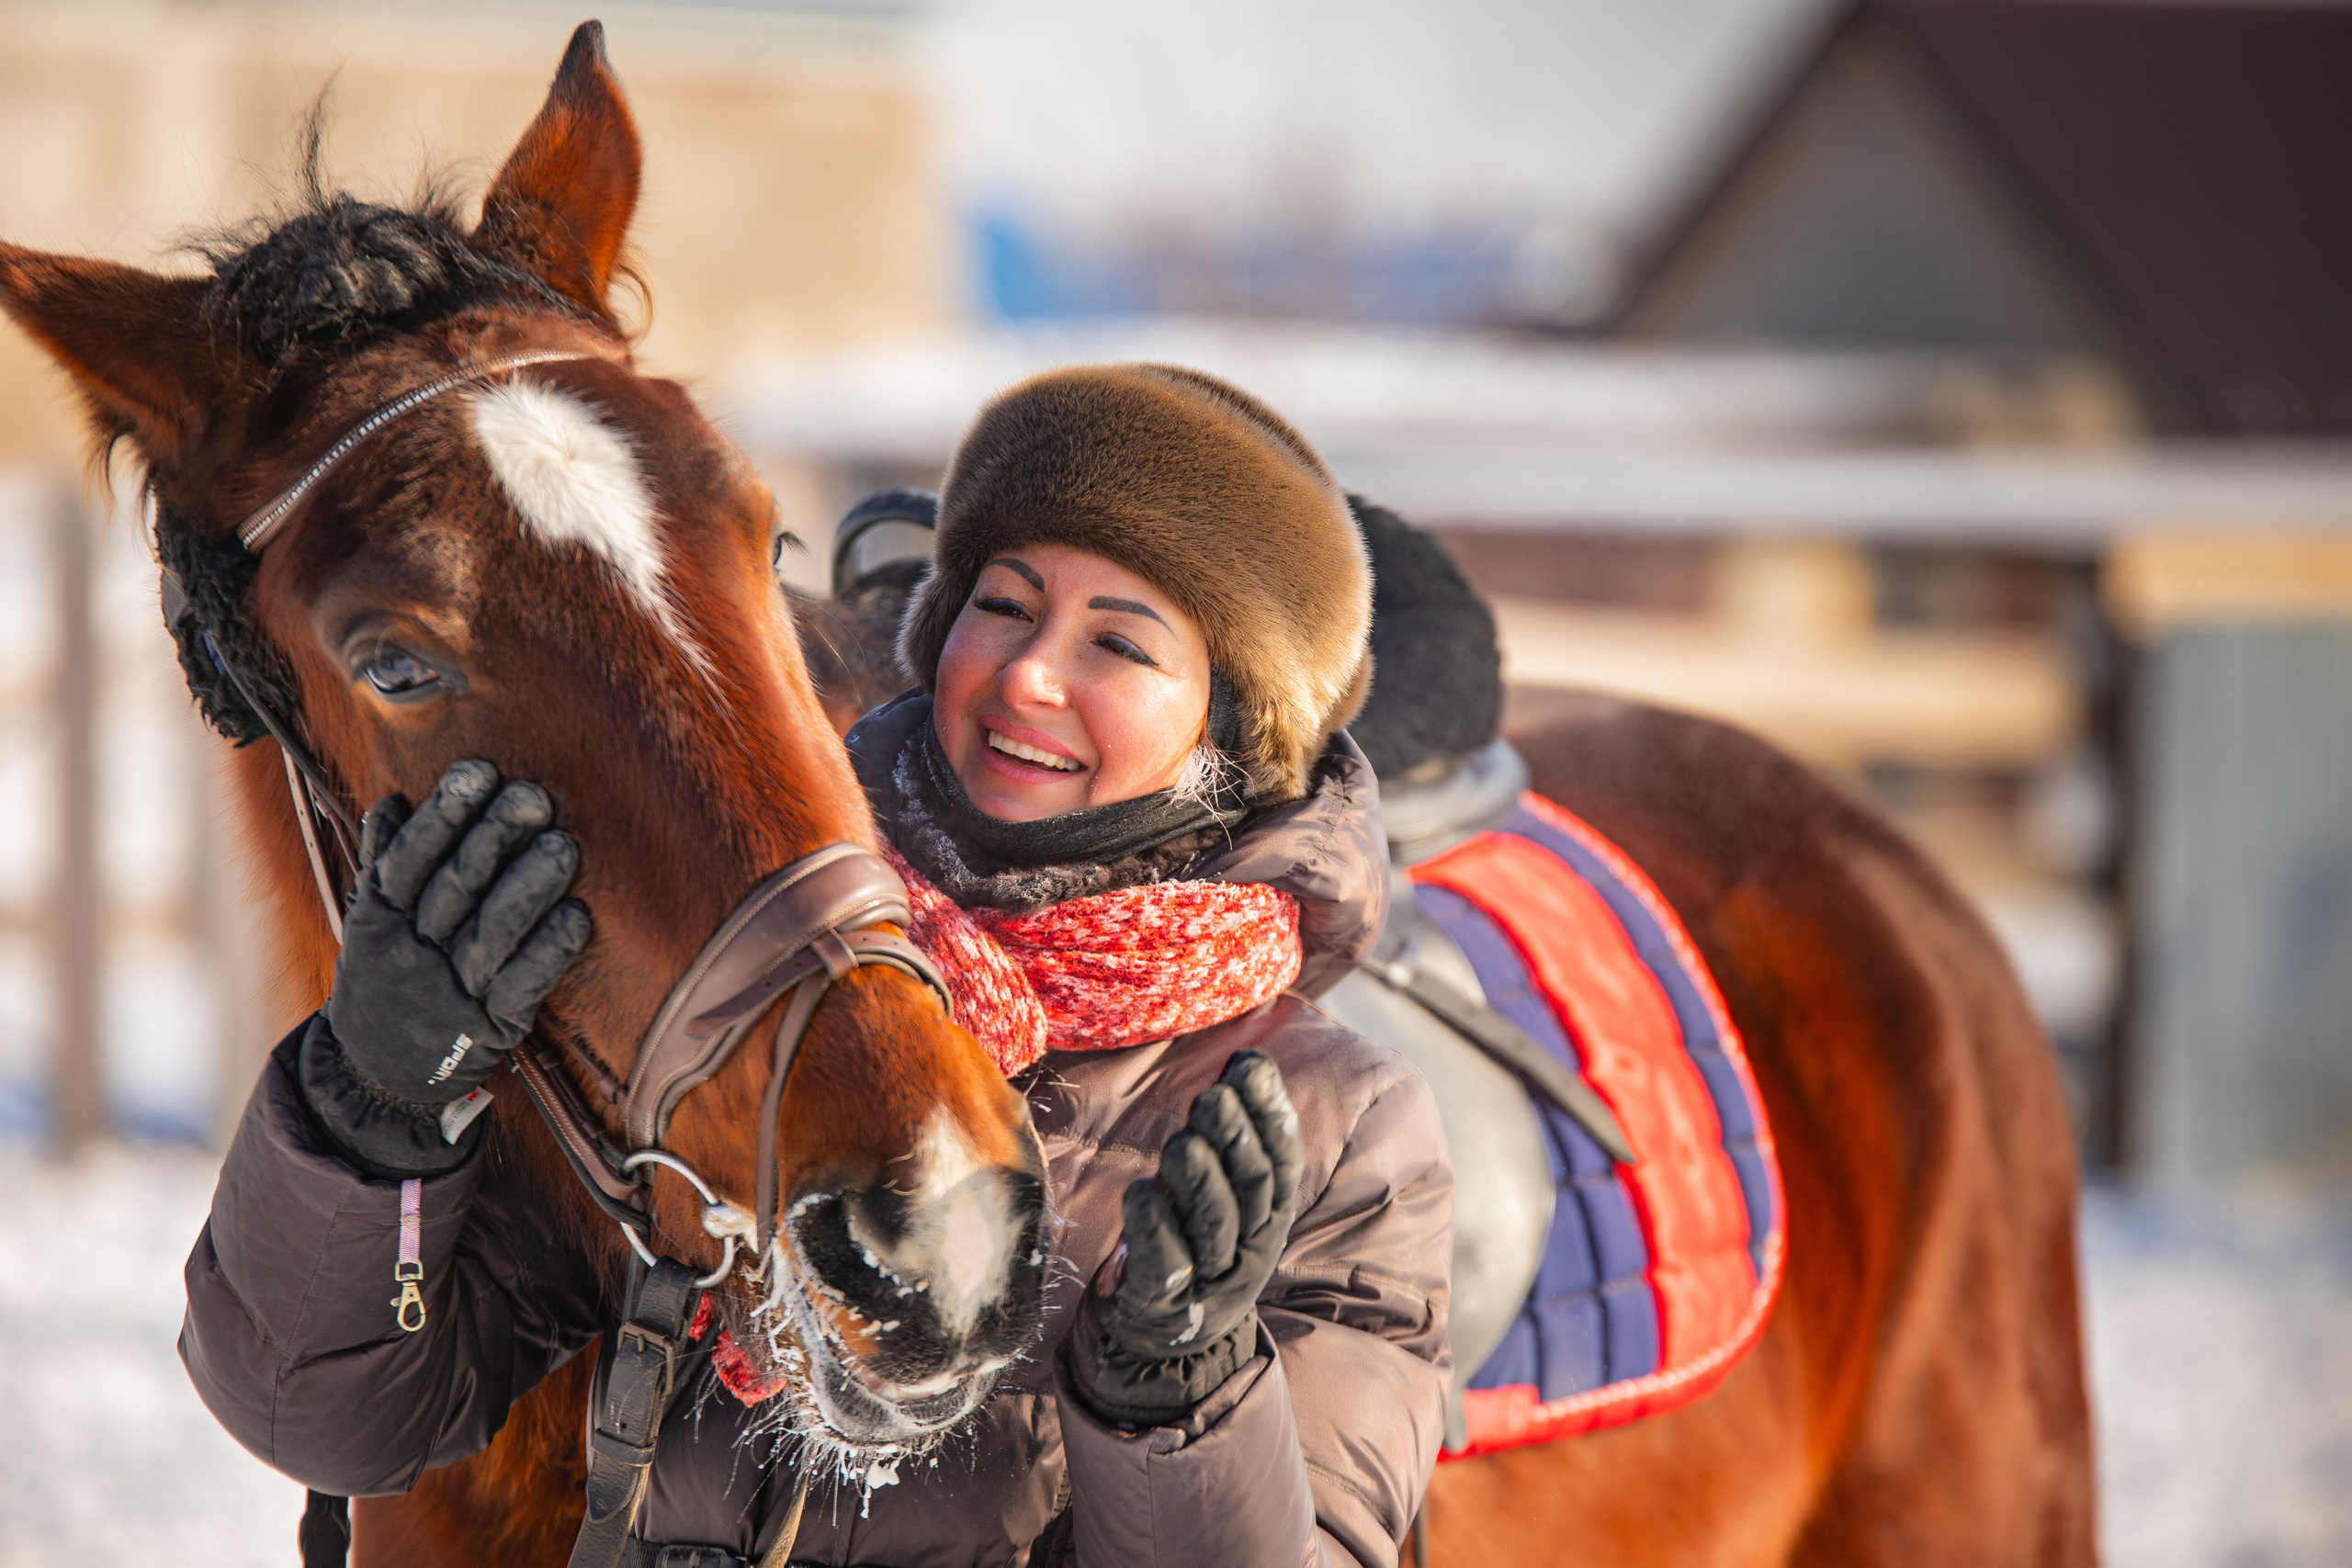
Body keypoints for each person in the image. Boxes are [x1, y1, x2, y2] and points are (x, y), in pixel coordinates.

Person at [181, 362, 1452, 1566]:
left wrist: (1176, 1398)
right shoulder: (717, 972)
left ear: (1232, 721)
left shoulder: (1344, 1128)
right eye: (1001, 606)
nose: (1028, 674)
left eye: (1120, 645)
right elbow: (330, 1418)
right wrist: (375, 1116)